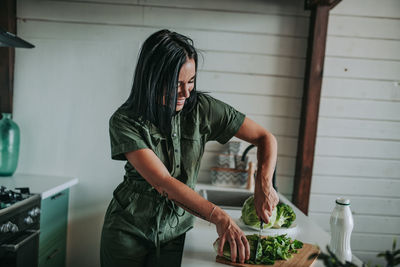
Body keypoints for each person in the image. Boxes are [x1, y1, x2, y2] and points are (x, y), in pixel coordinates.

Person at [100, 29, 278, 267]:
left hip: (176, 235)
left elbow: (265, 138)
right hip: (128, 231)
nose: (186, 92)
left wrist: (263, 184)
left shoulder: (203, 109)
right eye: (176, 85)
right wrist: (219, 216)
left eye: (191, 81)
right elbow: (162, 181)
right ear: (152, 80)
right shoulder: (125, 121)